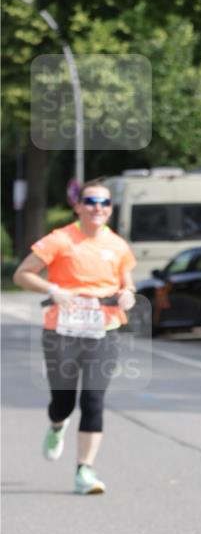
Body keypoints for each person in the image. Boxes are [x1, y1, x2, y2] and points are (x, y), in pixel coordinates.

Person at [13, 178, 137, 494]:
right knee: (63, 401)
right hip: (62, 331)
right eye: (91, 202)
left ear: (110, 209)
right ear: (78, 206)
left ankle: (84, 471)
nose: (98, 208)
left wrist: (128, 295)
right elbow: (22, 274)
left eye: (104, 203)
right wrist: (54, 290)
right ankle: (57, 424)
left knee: (93, 400)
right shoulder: (59, 240)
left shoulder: (118, 245)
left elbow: (127, 283)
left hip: (104, 330)